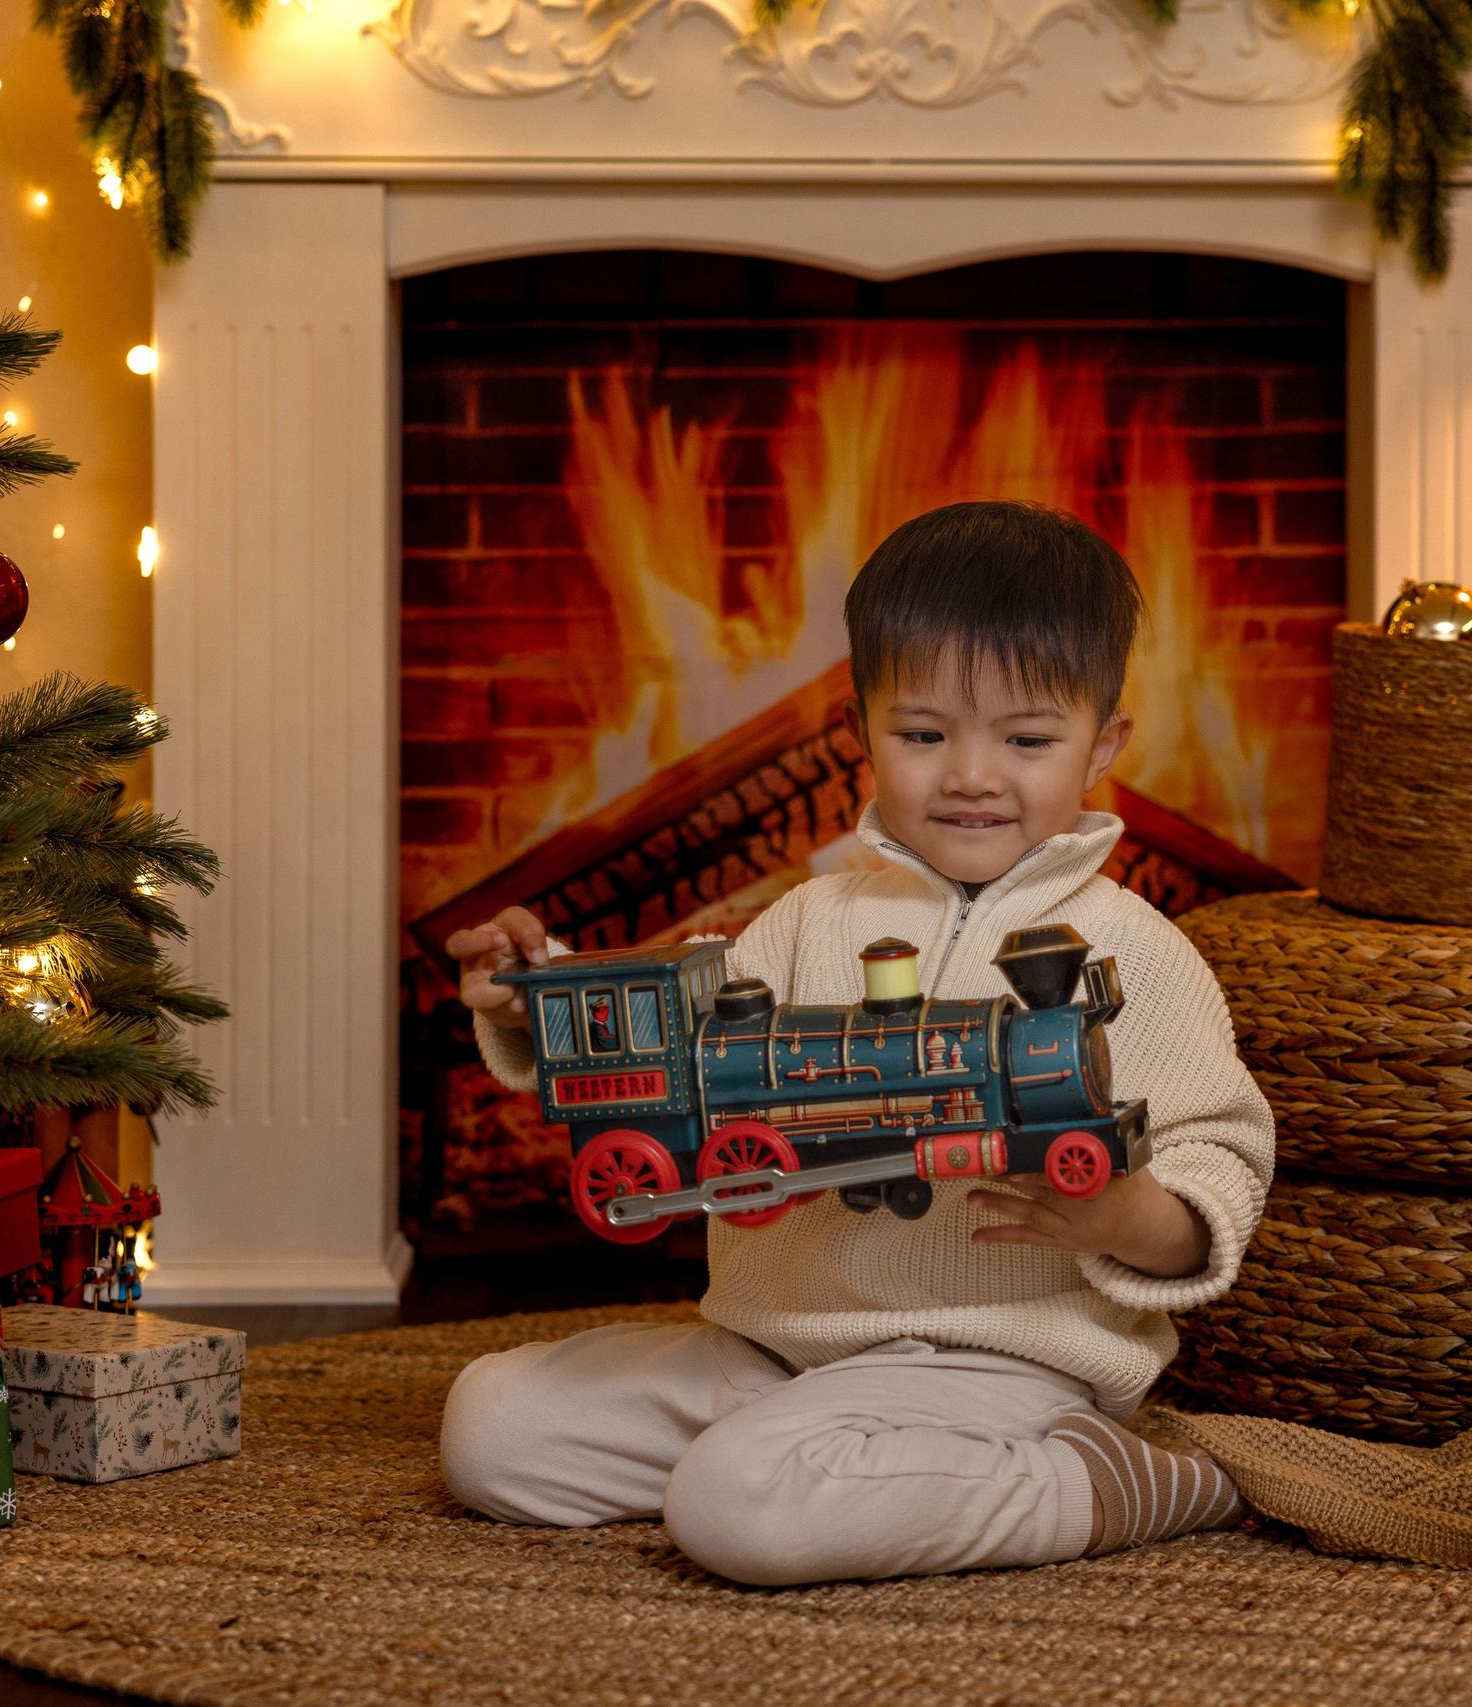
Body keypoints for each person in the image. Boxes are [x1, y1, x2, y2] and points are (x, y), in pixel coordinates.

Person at [439, 499, 1275, 1585]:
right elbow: (691, 1066)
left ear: (1102, 744)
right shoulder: (805, 919)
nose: (971, 775)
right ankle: (830, 1459)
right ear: (860, 735)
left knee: (741, 1510)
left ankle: (1102, 1481)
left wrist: (1133, 1217)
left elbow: (1221, 1156)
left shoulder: (1137, 948)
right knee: (491, 1428)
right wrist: (526, 991)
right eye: (923, 736)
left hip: (989, 1362)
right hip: (771, 1347)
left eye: (1025, 740)